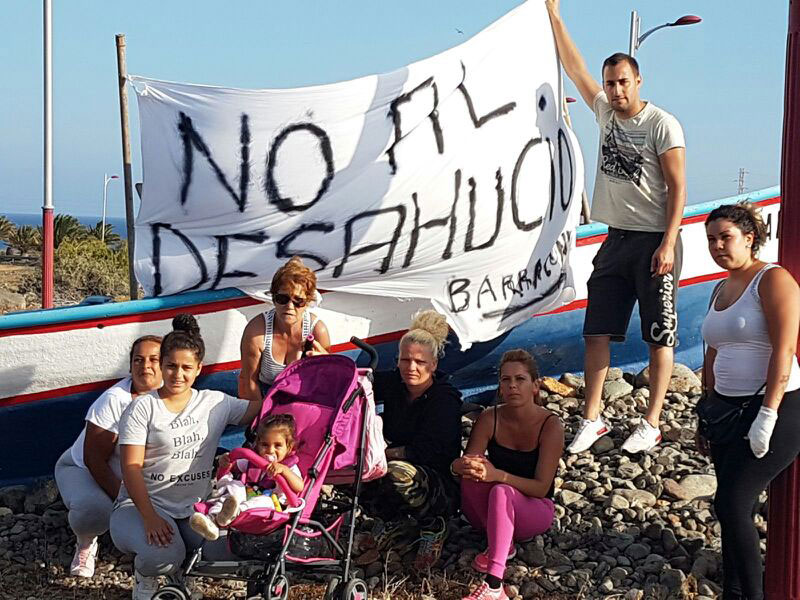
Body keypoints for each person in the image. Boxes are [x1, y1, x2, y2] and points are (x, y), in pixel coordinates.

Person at [546, 0, 687, 454]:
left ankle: (652, 421)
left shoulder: (662, 125)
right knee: (596, 331)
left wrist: (668, 243)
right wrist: (554, 17)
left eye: (623, 81)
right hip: (616, 238)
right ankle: (592, 417)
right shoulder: (605, 110)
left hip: (654, 242)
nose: (616, 90)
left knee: (658, 334)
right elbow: (575, 67)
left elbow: (678, 187)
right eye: (611, 83)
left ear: (638, 80)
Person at [110, 314, 264, 600]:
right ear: (161, 365)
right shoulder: (143, 408)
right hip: (142, 505)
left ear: (198, 369)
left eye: (185, 368)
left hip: (194, 509)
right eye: (170, 366)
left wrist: (286, 370)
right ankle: (147, 576)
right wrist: (149, 517)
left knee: (228, 554)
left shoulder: (215, 402)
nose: (177, 375)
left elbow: (261, 408)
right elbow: (130, 467)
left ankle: (181, 572)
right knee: (165, 555)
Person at [699, 202, 800, 600]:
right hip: (725, 409)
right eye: (711, 239)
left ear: (749, 238)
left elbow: (784, 348)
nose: (718, 246)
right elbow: (711, 353)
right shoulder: (719, 288)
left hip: (776, 408)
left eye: (725, 237)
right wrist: (704, 414)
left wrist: (769, 413)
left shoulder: (773, 280)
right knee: (728, 507)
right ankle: (734, 592)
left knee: (732, 502)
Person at [452, 349, 563, 600]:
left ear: (535, 386)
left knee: (501, 490)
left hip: (535, 509)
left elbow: (541, 488)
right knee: (475, 466)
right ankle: (503, 544)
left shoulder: (550, 425)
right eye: (506, 380)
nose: (512, 386)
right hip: (488, 512)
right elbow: (468, 464)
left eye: (520, 379)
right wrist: (459, 466)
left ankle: (494, 585)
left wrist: (498, 475)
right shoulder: (489, 417)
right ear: (500, 387)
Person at [54, 334, 162, 578]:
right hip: (84, 468)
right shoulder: (115, 400)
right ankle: (85, 542)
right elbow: (94, 459)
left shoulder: (175, 396)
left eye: (154, 359)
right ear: (130, 365)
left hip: (133, 472)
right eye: (138, 360)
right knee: (93, 510)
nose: (145, 366)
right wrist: (126, 502)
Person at [366, 309, 462, 568]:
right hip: (400, 462)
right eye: (405, 360)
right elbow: (361, 384)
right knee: (352, 466)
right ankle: (392, 519)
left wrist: (383, 454)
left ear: (434, 365)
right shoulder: (395, 383)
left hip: (438, 482)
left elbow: (430, 452)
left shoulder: (445, 399)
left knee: (395, 472)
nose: (411, 367)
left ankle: (434, 525)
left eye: (420, 362)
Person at [189, 414, 304, 541]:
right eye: (265, 445)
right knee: (235, 486)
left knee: (264, 501)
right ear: (258, 444)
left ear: (289, 447)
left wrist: (284, 471)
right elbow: (233, 467)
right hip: (247, 495)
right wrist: (226, 462)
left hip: (271, 505)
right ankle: (212, 520)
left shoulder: (289, 467)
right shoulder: (253, 461)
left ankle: (234, 513)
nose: (270, 450)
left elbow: (299, 486)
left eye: (277, 445)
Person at [239, 257, 331, 401]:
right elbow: (249, 382)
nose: (289, 306)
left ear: (307, 302)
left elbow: (329, 382)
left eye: (297, 301)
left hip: (306, 397)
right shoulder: (256, 332)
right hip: (266, 398)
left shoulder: (318, 330)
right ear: (273, 298)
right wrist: (263, 417)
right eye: (282, 299)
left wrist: (325, 363)